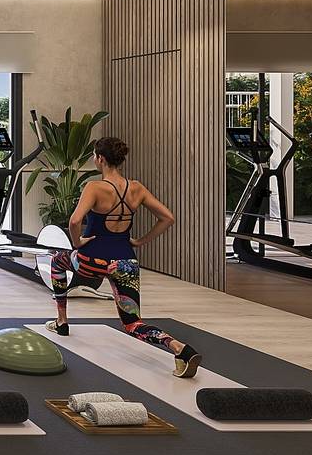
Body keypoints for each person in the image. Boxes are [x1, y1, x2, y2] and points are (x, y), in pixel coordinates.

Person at [46, 136, 201, 378]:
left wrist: (77, 243)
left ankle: (62, 321)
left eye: (94, 155)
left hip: (91, 261)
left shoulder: (94, 187)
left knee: (57, 260)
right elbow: (168, 218)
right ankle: (179, 348)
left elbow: (75, 221)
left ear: (100, 159)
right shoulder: (137, 188)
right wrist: (140, 241)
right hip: (126, 263)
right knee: (132, 323)